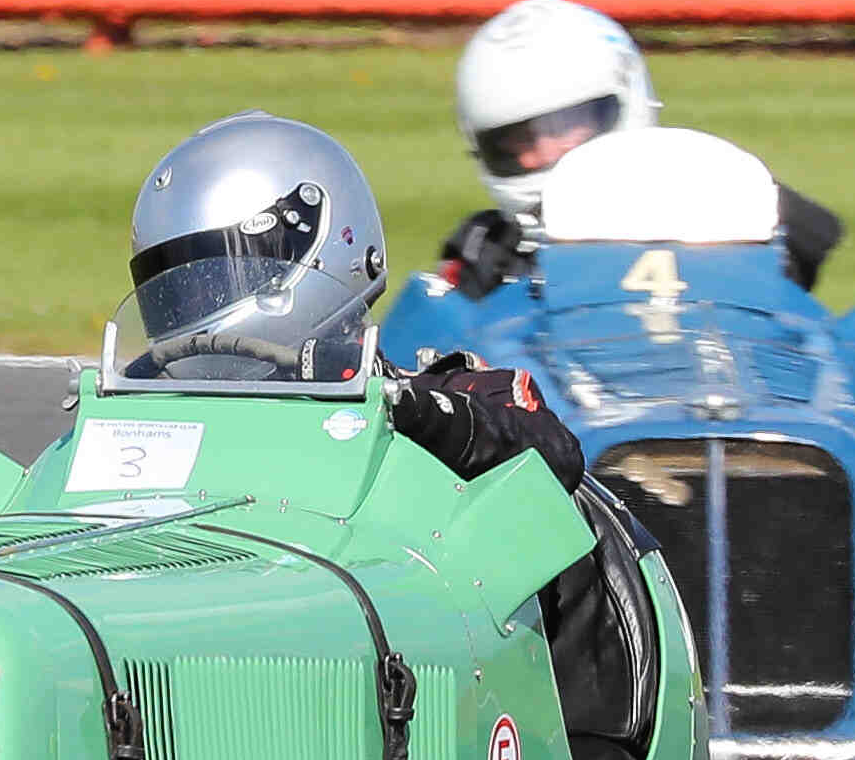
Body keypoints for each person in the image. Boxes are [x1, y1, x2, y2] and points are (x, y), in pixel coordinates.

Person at [122, 110, 582, 490]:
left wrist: (417, 414)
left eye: (210, 278)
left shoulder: (443, 398)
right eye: (174, 290)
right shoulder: (139, 404)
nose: (194, 304)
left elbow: (554, 454)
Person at [433, 0, 845, 299]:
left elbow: (806, 262)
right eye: (515, 141)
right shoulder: (485, 253)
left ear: (626, 97)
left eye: (564, 126)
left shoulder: (720, 195)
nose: (543, 152)